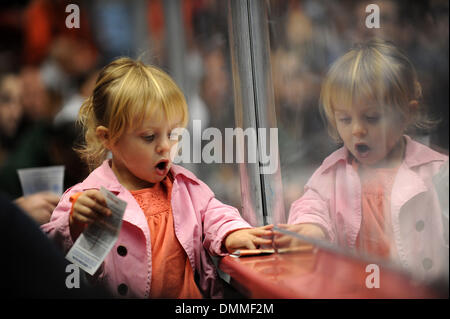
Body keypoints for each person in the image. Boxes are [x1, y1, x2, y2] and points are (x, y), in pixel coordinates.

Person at [41, 57, 273, 299]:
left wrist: (232, 233)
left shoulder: (184, 188)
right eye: (150, 137)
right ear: (107, 138)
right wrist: (75, 227)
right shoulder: (91, 200)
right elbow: (53, 258)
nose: (165, 147)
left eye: (173, 134)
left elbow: (215, 214)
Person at [279, 39, 448, 282]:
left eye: (371, 117)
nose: (357, 130)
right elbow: (312, 205)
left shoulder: (436, 171)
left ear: (406, 114)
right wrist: (309, 229)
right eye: (345, 120)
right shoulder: (331, 175)